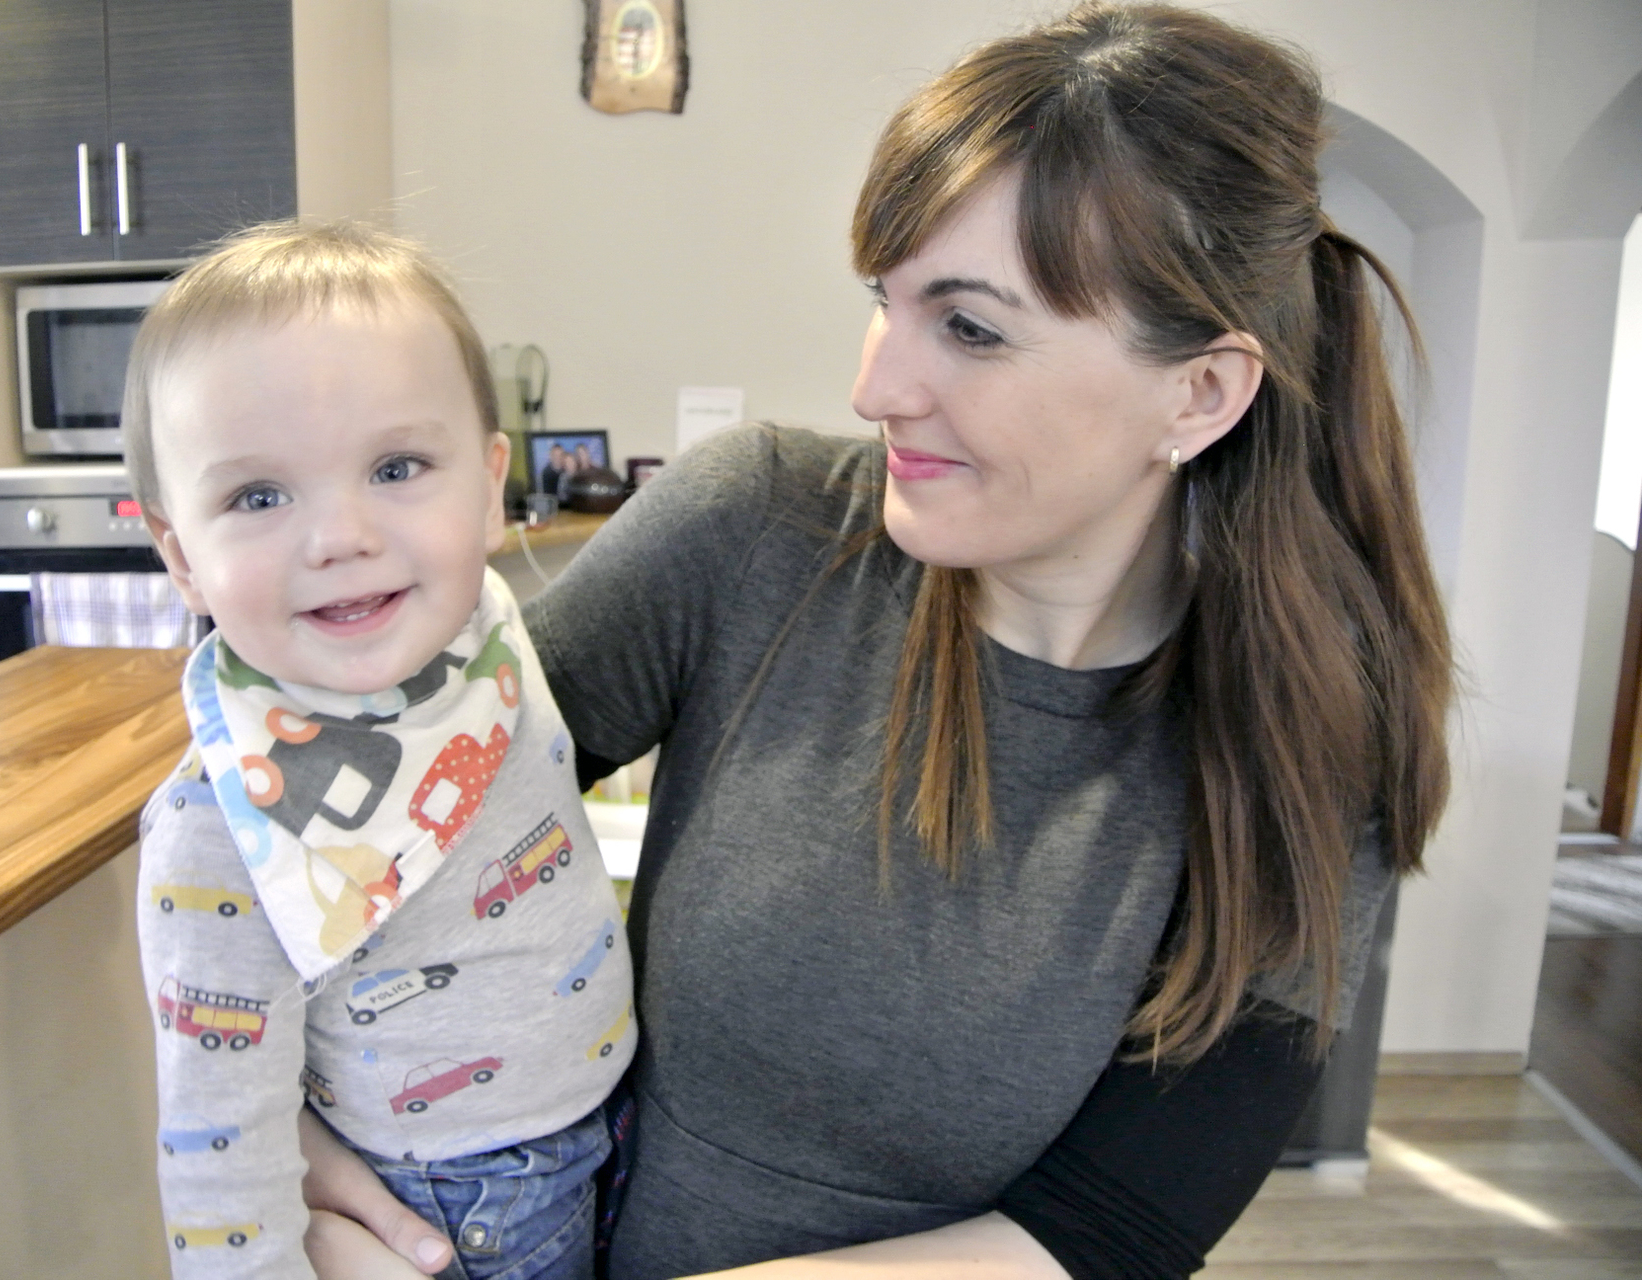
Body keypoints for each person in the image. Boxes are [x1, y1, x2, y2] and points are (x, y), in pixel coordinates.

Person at [296, 3, 1453, 1277]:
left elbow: (1115, 1228)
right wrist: (300, 1147)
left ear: (1199, 392)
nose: (875, 387)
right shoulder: (753, 530)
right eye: (882, 301)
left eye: (970, 326)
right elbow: (347, 826)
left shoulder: (1311, 733)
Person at [126, 221, 635, 1280]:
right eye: (258, 496)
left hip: (611, 1116)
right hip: (451, 1203)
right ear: (181, 554)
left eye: (397, 466)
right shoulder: (221, 823)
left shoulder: (486, 635)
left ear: (488, 490)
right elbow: (222, 1147)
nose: (341, 537)